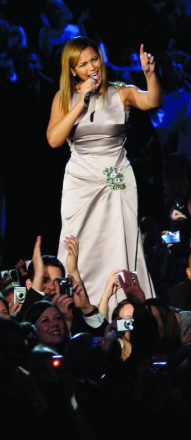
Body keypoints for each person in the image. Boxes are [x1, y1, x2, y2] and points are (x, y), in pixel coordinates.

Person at [47, 36, 159, 312]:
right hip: (80, 180)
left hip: (115, 176)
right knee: (79, 245)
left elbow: (152, 101)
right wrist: (80, 103)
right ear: (73, 70)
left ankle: (126, 308)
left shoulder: (121, 92)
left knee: (118, 242)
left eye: (94, 59)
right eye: (83, 64)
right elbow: (54, 140)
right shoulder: (63, 98)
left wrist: (150, 75)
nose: (91, 68)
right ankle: (77, 309)